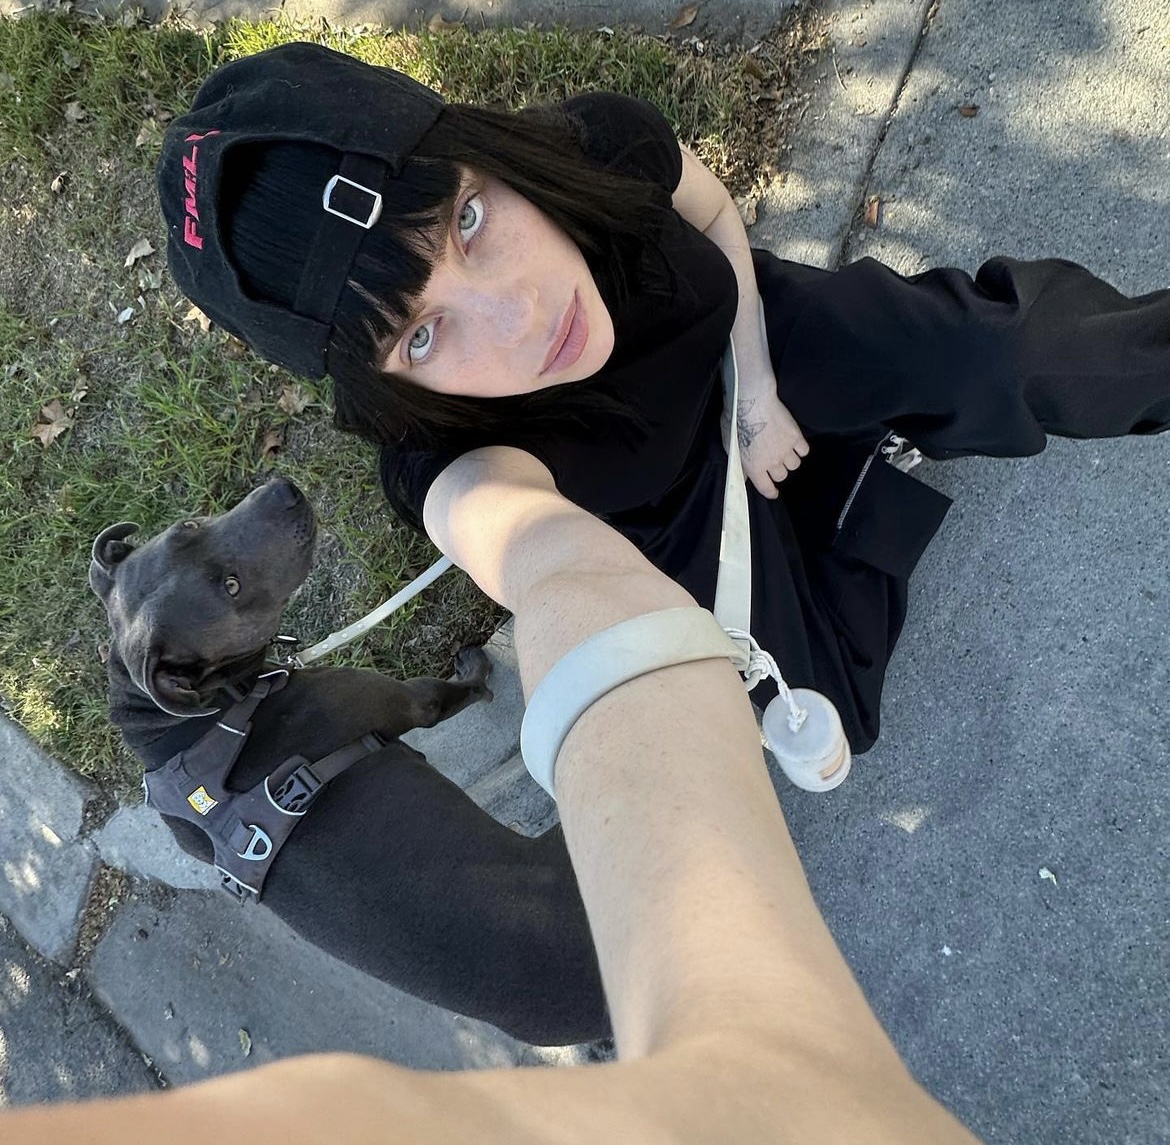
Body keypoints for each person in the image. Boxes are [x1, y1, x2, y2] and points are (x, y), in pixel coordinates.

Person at [156, 42, 1170, 761]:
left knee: (1016, 356)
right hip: (679, 521)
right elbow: (534, 556)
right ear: (387, 381)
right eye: (420, 333)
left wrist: (759, 392)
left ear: (477, 148)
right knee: (823, 716)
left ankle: (862, 440)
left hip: (755, 345)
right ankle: (859, 477)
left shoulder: (595, 146)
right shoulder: (434, 456)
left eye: (467, 219)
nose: (521, 315)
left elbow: (715, 213)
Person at [0, 447, 982, 1142]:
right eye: (230, 578)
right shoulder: (307, 708)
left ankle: (614, 1017)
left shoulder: (177, 797)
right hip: (608, 925)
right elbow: (413, 706)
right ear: (182, 678)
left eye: (198, 535)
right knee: (679, 709)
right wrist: (466, 685)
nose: (260, 513)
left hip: (544, 1004)